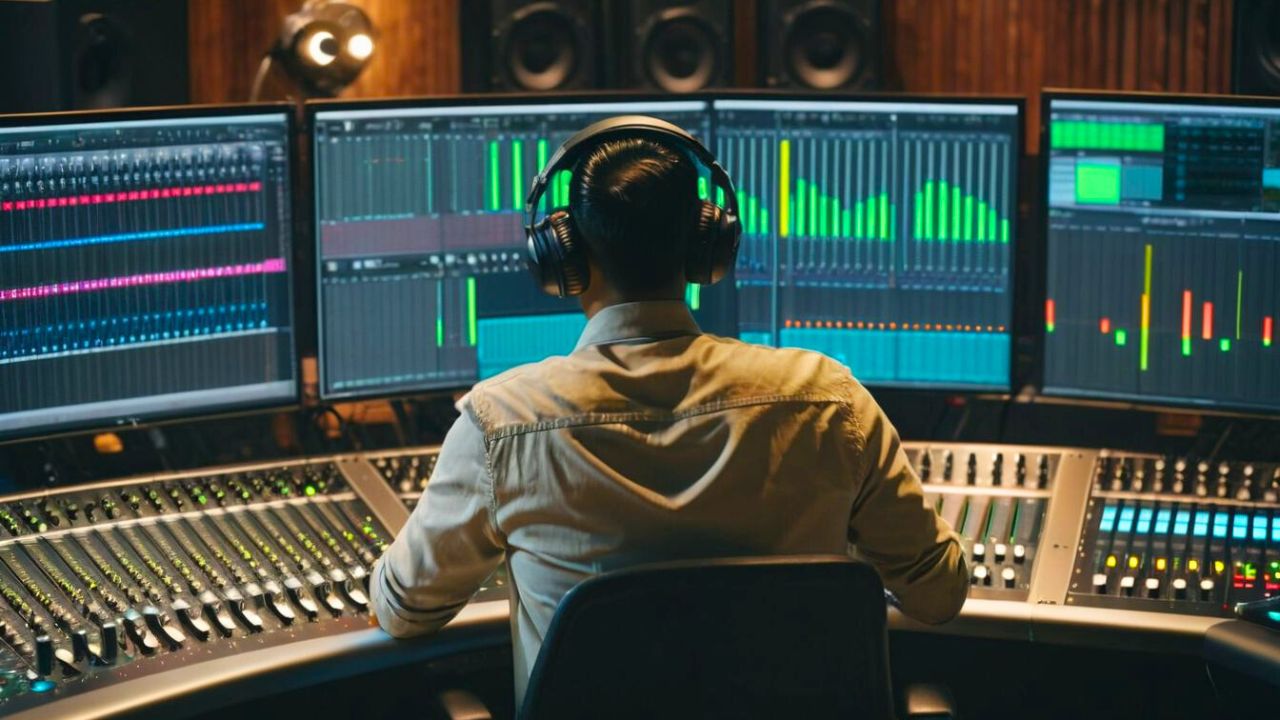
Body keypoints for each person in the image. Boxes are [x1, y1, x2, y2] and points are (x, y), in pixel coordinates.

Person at [370, 118, 968, 704]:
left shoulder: (503, 425)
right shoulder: (830, 401)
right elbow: (939, 594)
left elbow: (402, 610)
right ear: (707, 245)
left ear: (563, 256)